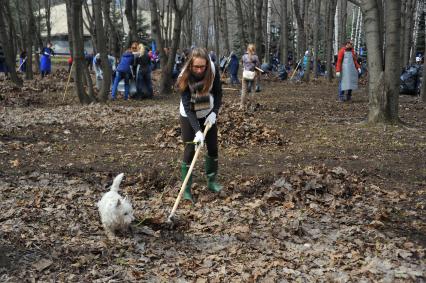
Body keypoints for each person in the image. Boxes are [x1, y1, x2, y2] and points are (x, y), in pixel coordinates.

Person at [176, 47, 223, 202]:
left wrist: (214, 113)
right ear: (190, 65)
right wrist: (197, 131)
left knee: (213, 147)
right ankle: (187, 189)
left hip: (207, 112)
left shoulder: (213, 70)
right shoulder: (184, 76)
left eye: (202, 66)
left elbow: (218, 93)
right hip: (189, 115)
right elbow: (189, 109)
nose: (199, 70)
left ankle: (212, 182)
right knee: (190, 149)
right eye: (196, 66)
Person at [241, 44, 260, 109]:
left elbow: (242, 64)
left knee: (244, 90)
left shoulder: (244, 56)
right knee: (253, 90)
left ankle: (242, 106)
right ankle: (252, 106)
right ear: (254, 49)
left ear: (247, 49)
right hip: (253, 75)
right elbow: (257, 66)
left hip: (245, 74)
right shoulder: (256, 57)